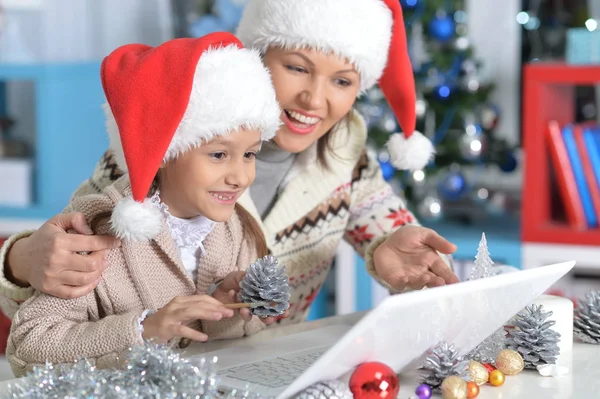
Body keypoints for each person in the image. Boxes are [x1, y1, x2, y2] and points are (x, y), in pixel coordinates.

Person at [0, 0, 459, 325]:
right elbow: (61, 263)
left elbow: (384, 226)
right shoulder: (166, 147)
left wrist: (390, 248)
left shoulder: (346, 153)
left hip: (272, 368)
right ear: (257, 59)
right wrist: (20, 260)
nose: (314, 99)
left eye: (341, 80)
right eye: (296, 68)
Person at [6, 32, 283, 377]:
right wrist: (144, 329)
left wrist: (226, 315)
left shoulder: (237, 230)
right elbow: (30, 346)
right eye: (218, 154)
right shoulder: (99, 229)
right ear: (164, 151)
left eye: (249, 154)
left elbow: (231, 351)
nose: (240, 176)